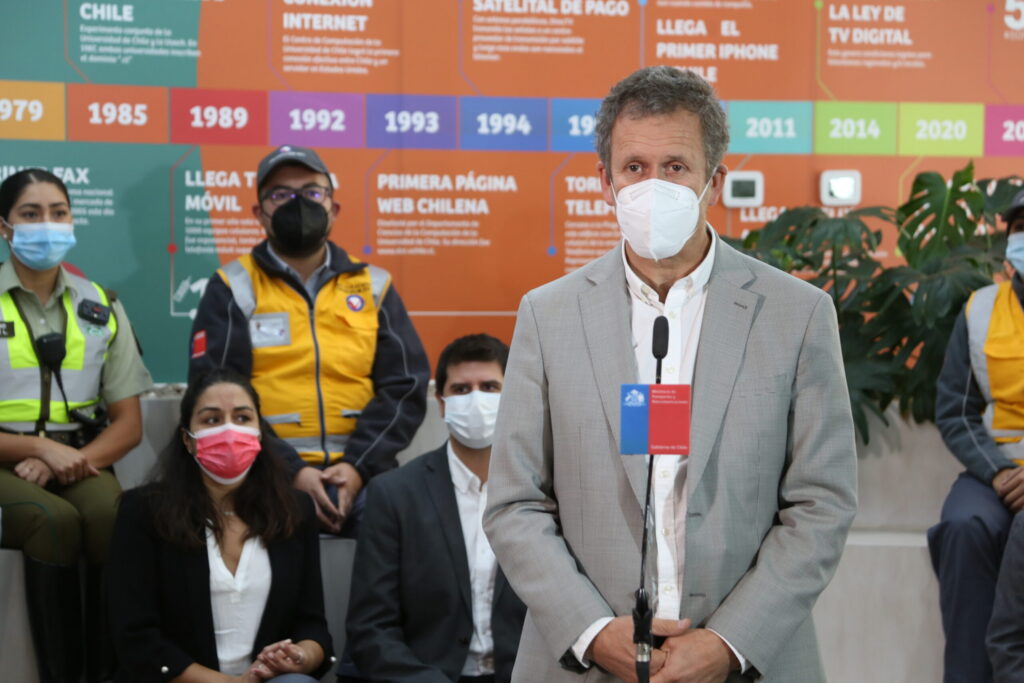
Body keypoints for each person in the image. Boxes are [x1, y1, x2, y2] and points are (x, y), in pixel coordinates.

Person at [482, 66, 858, 682]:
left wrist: (729, 642)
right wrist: (591, 631)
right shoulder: (549, 315)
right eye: (634, 167)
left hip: (745, 664)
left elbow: (822, 502)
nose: (653, 185)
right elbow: (514, 502)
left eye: (676, 167)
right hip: (588, 665)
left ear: (715, 182)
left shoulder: (797, 315)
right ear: (605, 182)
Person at [188, 145, 430, 535]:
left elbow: (405, 386)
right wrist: (293, 472)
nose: (298, 204)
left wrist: (357, 467)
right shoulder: (231, 286)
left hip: (365, 472)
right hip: (264, 471)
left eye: (312, 192)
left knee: (410, 531)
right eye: (281, 194)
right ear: (259, 213)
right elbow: (213, 393)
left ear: (334, 207)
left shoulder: (373, 285)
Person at [0, 168, 152, 683]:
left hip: (80, 458)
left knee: (116, 515)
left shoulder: (101, 304)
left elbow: (129, 425)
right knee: (53, 521)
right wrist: (38, 449)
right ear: (4, 226)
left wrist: (65, 458)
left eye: (58, 212)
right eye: (30, 213)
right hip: (6, 461)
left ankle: (110, 674)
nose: (47, 223)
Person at [107, 367, 334, 682]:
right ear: (187, 439)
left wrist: (302, 656)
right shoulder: (143, 512)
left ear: (259, 433)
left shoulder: (295, 510)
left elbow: (312, 625)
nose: (229, 430)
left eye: (242, 418)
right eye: (212, 420)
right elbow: (136, 639)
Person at [344, 334, 527, 683]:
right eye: (461, 389)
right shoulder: (394, 494)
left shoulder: (546, 492)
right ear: (442, 404)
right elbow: (370, 628)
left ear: (513, 397)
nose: (475, 399)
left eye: (490, 387)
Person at [929, 188, 1024, 683]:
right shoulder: (980, 310)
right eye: (1021, 228)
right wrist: (1000, 472)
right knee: (965, 525)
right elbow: (956, 411)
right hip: (997, 471)